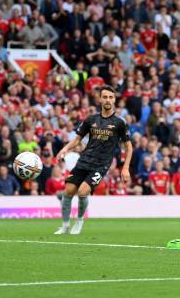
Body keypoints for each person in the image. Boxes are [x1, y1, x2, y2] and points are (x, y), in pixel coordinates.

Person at [55, 85, 133, 234]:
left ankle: (79, 221)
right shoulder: (91, 119)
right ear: (100, 99)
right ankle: (65, 226)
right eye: (105, 97)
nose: (108, 100)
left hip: (101, 164)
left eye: (111, 97)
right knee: (68, 191)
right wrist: (65, 148)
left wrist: (125, 167)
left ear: (114, 100)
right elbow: (77, 139)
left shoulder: (120, 123)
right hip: (84, 160)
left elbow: (129, 147)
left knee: (83, 192)